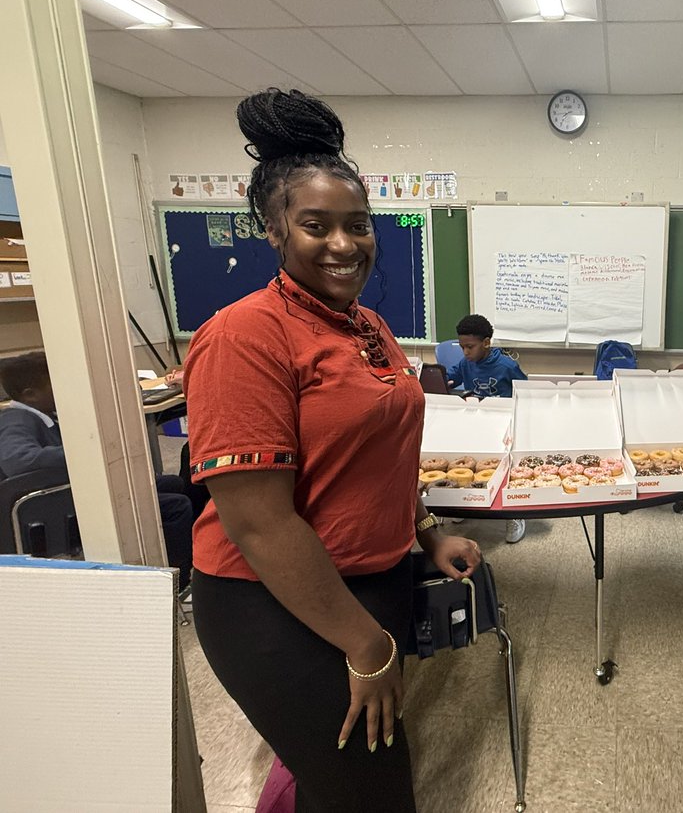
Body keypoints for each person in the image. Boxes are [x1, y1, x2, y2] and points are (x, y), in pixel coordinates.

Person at [183, 88, 480, 812]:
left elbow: (380, 455)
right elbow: (259, 525)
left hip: (369, 580)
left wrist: (426, 533)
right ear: (274, 228)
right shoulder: (242, 335)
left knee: (335, 782)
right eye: (316, 225)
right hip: (271, 600)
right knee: (372, 793)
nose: (344, 244)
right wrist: (367, 646)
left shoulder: (367, 325)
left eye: (358, 225)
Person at [0, 351, 195, 585]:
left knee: (170, 483)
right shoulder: (17, 420)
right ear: (30, 395)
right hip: (58, 504)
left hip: (74, 490)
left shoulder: (41, 414)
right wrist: (85, 454)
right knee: (177, 506)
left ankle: (180, 554)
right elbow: (18, 460)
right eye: (54, 384)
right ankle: (176, 583)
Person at [446, 314, 528, 543]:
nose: (465, 352)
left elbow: (524, 391)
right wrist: (443, 380)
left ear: (486, 342)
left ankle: (515, 515)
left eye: (470, 347)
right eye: (462, 347)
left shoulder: (507, 365)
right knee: (467, 458)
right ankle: (465, 502)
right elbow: (451, 376)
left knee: (505, 467)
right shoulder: (466, 363)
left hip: (503, 423)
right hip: (477, 421)